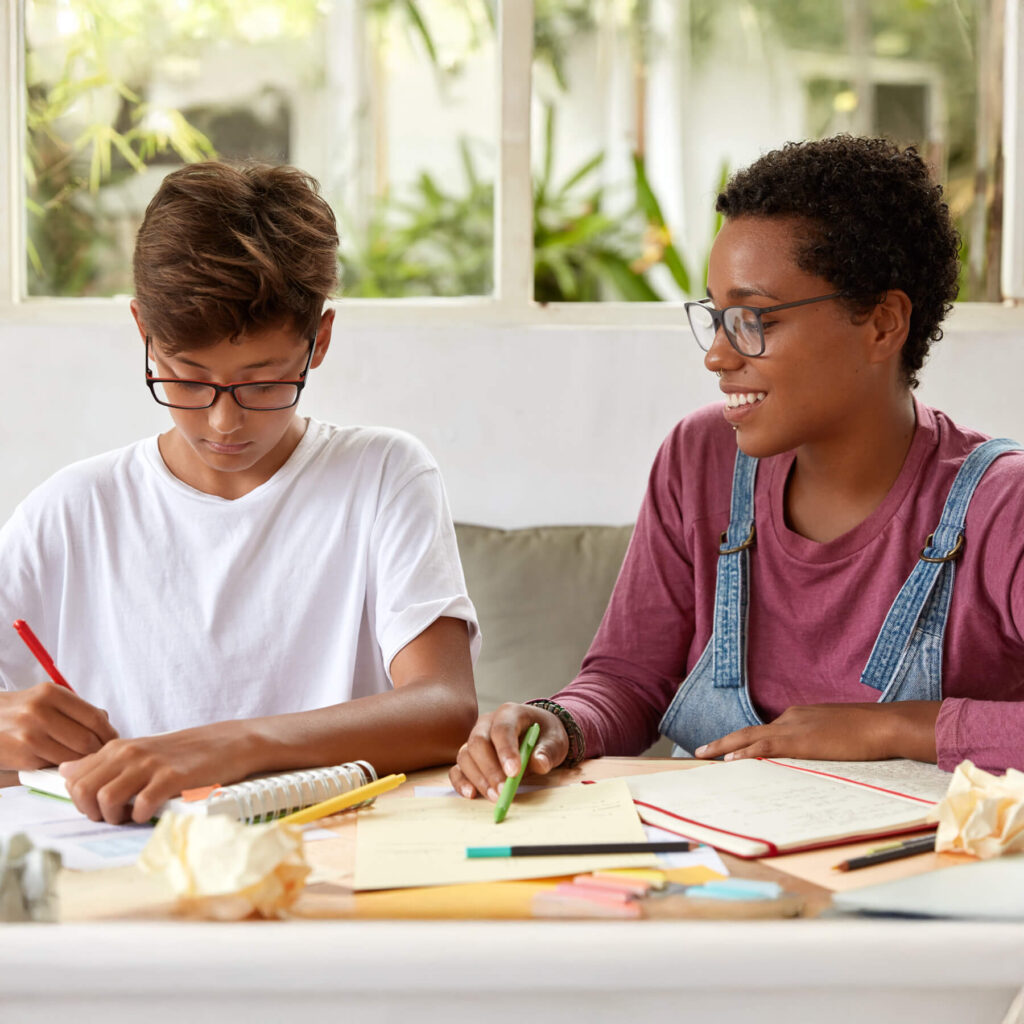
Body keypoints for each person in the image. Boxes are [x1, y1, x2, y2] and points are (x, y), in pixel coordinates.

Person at [452, 134, 1024, 804]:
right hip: (713, 873)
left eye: (753, 319)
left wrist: (893, 727)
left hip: (919, 882)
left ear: (881, 324)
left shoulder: (1000, 506)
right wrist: (558, 723)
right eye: (717, 318)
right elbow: (632, 681)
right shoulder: (700, 460)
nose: (718, 356)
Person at [0, 162, 479, 823]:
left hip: (329, 860)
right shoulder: (73, 510)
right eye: (188, 380)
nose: (224, 422)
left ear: (320, 342)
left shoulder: (382, 475)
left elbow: (446, 706)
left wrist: (231, 745)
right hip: (122, 871)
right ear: (145, 334)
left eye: (262, 383)